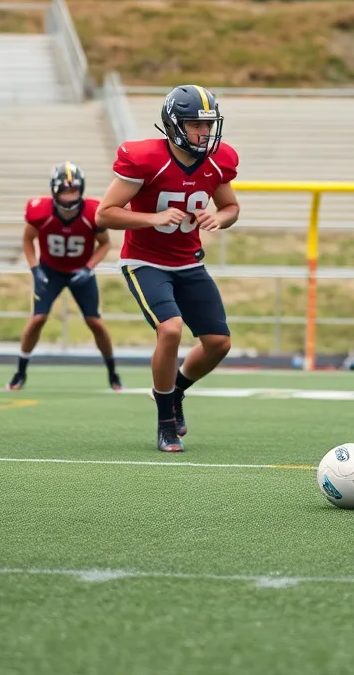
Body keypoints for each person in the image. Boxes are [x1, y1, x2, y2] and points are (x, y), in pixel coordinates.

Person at [96, 85, 240, 453]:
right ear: (175, 124)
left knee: (219, 343)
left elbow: (230, 207)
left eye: (208, 125)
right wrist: (153, 217)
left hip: (188, 261)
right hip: (144, 261)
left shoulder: (218, 159)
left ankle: (174, 391)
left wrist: (218, 218)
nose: (204, 133)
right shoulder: (144, 158)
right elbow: (105, 214)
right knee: (171, 330)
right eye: (196, 124)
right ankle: (164, 423)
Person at [7, 162, 121, 392]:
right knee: (38, 319)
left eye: (74, 191)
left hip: (81, 272)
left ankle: (112, 372)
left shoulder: (93, 212)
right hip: (50, 271)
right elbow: (27, 240)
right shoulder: (40, 211)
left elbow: (105, 244)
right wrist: (35, 269)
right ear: (54, 191)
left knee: (95, 322)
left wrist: (89, 268)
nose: (70, 197)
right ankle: (20, 371)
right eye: (65, 191)